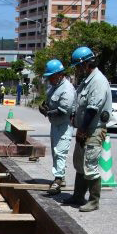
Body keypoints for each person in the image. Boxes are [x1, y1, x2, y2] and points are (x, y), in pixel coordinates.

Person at [65, 46, 111, 212]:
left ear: (85, 64)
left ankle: (93, 200)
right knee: (79, 163)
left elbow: (93, 108)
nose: (77, 69)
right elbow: (81, 104)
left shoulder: (98, 81)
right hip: (84, 129)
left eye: (78, 66)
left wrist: (82, 129)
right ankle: (78, 195)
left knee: (90, 164)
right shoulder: (87, 80)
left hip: (93, 130)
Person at [39, 59, 75, 195]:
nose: (49, 80)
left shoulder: (67, 88)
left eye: (51, 77)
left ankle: (58, 180)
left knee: (60, 151)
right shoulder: (54, 87)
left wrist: (48, 112)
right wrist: (43, 107)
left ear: (59, 75)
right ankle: (61, 176)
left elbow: (64, 109)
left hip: (64, 125)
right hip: (55, 124)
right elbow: (48, 101)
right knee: (55, 151)